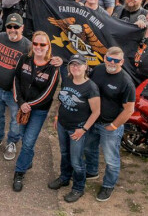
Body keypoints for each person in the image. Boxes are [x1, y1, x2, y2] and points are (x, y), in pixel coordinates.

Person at [11, 30, 60, 192]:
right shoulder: (24, 59)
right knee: (24, 136)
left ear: (48, 47)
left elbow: (48, 93)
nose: (38, 47)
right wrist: (21, 102)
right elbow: (16, 79)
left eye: (42, 44)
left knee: (29, 140)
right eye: (36, 43)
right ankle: (27, 159)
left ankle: (19, 172)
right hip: (22, 106)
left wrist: (30, 105)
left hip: (38, 110)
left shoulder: (53, 67)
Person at [48, 54, 101, 204]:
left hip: (77, 129)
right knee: (64, 153)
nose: (75, 67)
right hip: (62, 125)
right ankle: (64, 178)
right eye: (72, 65)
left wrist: (83, 129)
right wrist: (57, 116)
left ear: (86, 67)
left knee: (76, 161)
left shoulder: (90, 87)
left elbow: (96, 112)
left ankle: (78, 187)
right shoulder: (67, 80)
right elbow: (62, 100)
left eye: (79, 64)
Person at [0, 13, 31, 160]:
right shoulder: (1, 37)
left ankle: (12, 142)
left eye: (16, 27)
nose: (13, 29)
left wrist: (55, 60)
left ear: (22, 28)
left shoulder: (28, 46)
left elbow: (41, 60)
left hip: (15, 92)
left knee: (15, 120)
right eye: (10, 26)